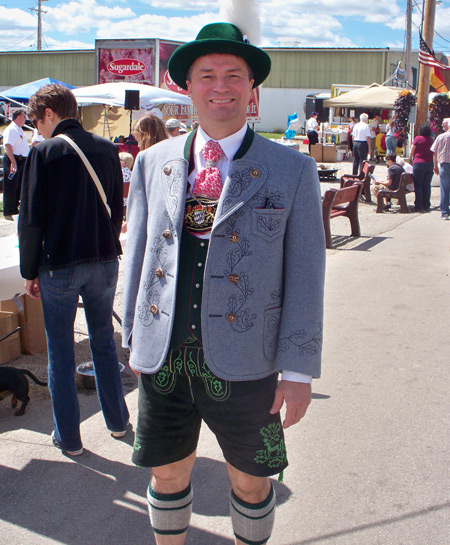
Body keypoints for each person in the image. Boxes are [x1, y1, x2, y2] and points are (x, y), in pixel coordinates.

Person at [122, 22, 325, 545]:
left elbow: (306, 275)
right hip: (164, 353)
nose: (221, 86)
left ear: (251, 89)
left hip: (249, 359)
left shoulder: (293, 170)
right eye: (206, 74)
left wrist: (299, 369)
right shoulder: (152, 162)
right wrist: (131, 338)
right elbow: (140, 254)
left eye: (234, 75)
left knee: (253, 484)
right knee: (165, 474)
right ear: (187, 87)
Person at [19, 84, 129, 457]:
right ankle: (117, 422)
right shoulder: (107, 148)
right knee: (103, 343)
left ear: (49, 113)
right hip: (103, 260)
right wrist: (105, 244)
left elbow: (31, 220)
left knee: (61, 353)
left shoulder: (44, 153)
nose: (37, 128)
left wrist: (29, 270)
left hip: (59, 266)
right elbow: (117, 207)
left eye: (36, 120)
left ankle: (69, 437)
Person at [2, 109, 30, 220]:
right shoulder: (11, 129)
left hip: (21, 160)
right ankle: (9, 211)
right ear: (18, 117)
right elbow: (8, 146)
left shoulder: (19, 130)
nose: (25, 119)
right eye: (24, 116)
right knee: (11, 185)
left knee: (19, 185)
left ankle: (15, 208)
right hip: (14, 159)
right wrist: (13, 162)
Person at [410, 124, 434, 212]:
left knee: (418, 185)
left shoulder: (418, 139)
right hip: (429, 163)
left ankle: (419, 206)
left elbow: (412, 151)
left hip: (419, 163)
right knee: (427, 185)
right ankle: (426, 204)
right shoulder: (431, 140)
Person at [431, 118, 450, 219]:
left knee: (445, 188)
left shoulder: (441, 137)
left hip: (443, 164)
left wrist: (435, 166)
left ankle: (445, 212)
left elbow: (434, 152)